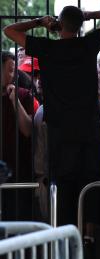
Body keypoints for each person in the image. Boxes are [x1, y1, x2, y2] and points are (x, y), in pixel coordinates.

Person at [3, 5, 100, 226]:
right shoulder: (88, 44)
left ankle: (65, 239)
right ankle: (90, 237)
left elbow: (9, 30)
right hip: (89, 129)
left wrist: (39, 22)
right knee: (91, 189)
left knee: (63, 191)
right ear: (79, 25)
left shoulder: (47, 48)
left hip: (60, 131)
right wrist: (91, 16)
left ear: (59, 24)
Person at [1, 51, 35, 220]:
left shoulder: (23, 95)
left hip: (18, 174)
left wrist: (15, 100)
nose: (13, 75)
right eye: (9, 70)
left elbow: (28, 130)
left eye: (14, 70)